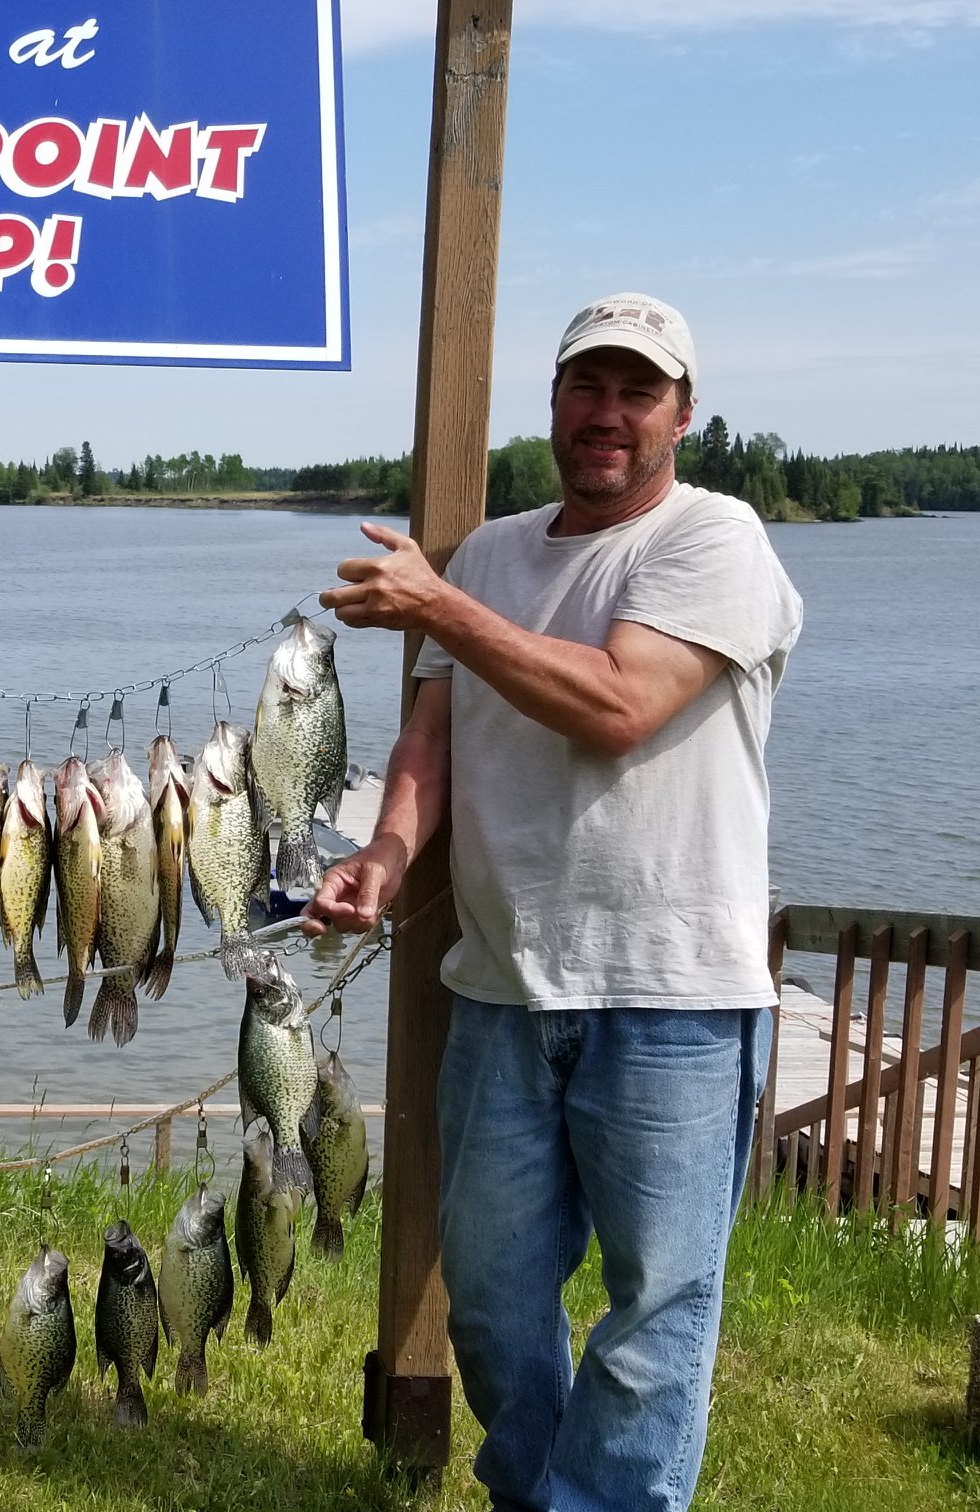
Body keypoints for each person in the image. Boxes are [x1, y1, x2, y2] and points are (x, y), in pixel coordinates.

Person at [308, 293, 802, 1512]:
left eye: (641, 392)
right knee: (489, 1302)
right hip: (503, 989)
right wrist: (385, 849)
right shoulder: (487, 557)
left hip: (677, 1000)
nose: (610, 416)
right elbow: (436, 733)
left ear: (683, 414)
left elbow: (617, 703)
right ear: (555, 401)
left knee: (655, 1316)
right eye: (590, 387)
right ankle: (536, 1495)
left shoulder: (716, 540)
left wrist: (439, 608)